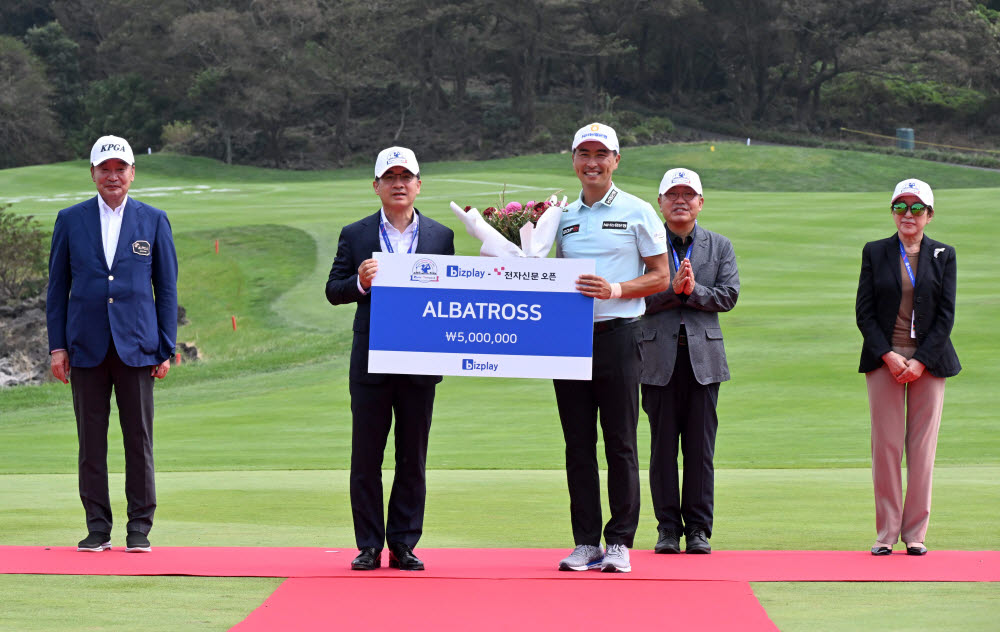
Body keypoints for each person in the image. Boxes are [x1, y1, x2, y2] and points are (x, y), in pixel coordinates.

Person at [325, 146, 455, 571]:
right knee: (366, 456)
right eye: (390, 177)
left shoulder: (440, 235)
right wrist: (359, 284)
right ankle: (367, 544)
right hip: (371, 359)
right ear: (376, 185)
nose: (399, 184)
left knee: (412, 456)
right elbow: (333, 289)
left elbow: (453, 294)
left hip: (420, 359)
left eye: (407, 177)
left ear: (419, 184)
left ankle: (403, 544)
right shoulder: (356, 233)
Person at [46, 135, 178, 554]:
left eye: (120, 168)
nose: (113, 175)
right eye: (105, 169)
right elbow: (57, 289)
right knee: (91, 442)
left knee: (138, 440)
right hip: (85, 346)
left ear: (132, 173)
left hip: (137, 345)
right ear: (93, 174)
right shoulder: (70, 220)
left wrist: (166, 346)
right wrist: (57, 346)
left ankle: (139, 526)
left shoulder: (153, 220)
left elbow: (166, 288)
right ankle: (97, 527)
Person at [553, 123, 670, 573]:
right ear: (574, 159)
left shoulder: (638, 210)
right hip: (569, 339)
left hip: (620, 334)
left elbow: (660, 274)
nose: (593, 162)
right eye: (584, 153)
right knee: (577, 443)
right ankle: (585, 541)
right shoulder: (559, 216)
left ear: (616, 160)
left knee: (620, 441)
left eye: (602, 154)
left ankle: (619, 540)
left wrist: (616, 288)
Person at [856, 178, 960, 556]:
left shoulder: (943, 255)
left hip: (928, 362)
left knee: (922, 449)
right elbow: (864, 313)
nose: (908, 214)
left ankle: (914, 534)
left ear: (929, 215)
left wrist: (920, 361)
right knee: (885, 446)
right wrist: (888, 354)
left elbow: (946, 316)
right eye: (901, 207)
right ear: (893, 213)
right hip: (885, 358)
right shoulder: (875, 251)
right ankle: (886, 533)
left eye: (917, 208)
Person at [639, 168, 739, 555]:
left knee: (700, 450)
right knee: (662, 449)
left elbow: (728, 296)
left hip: (704, 359)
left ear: (701, 202)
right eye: (672, 194)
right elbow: (636, 297)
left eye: (688, 195)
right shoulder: (647, 244)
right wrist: (671, 291)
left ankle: (698, 529)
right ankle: (667, 529)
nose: (680, 201)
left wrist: (693, 290)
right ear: (660, 202)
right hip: (656, 357)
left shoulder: (719, 246)